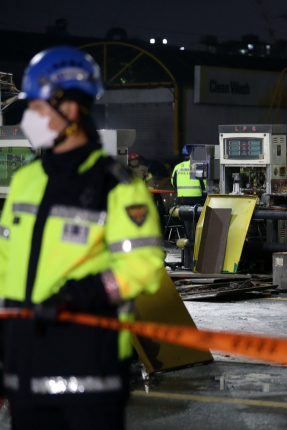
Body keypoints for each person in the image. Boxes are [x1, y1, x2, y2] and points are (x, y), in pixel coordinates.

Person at [0, 47, 165, 430]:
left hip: (88, 374)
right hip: (23, 370)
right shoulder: (26, 181)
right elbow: (6, 268)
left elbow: (142, 267)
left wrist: (80, 296)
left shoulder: (116, 186)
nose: (29, 118)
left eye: (37, 108)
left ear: (70, 110)